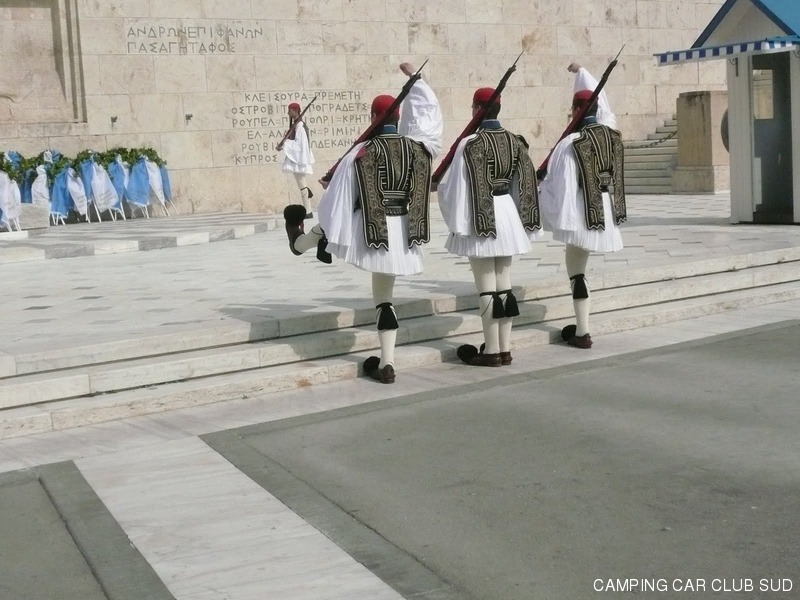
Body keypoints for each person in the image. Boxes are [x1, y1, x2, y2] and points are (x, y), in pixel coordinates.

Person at [282, 62, 443, 383]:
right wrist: (419, 82)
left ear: (373, 117)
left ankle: (300, 243)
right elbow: (430, 120)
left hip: (373, 232)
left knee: (330, 225)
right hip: (405, 232)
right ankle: (387, 362)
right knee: (386, 299)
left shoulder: (361, 152)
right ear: (399, 118)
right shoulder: (419, 149)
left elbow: (336, 203)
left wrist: (328, 221)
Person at [437, 87, 541, 367]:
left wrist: (455, 217)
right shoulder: (514, 140)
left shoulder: (470, 143)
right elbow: (526, 181)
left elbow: (454, 186)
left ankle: (492, 351)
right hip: (507, 211)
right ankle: (505, 349)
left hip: (481, 215)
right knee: (504, 285)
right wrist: (522, 217)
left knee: (486, 286)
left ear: (476, 109)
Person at [538, 63, 626, 349]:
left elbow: (561, 186)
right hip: (605, 209)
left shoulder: (571, 143)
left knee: (576, 273)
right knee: (580, 270)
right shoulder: (612, 136)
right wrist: (582, 72)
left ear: (576, 111)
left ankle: (583, 331)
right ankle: (581, 327)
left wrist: (543, 200)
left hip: (580, 211)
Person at [276, 102, 315, 218]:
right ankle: (308, 209)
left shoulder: (300, 126)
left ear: (295, 111)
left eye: (290, 110)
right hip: (297, 159)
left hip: (299, 159)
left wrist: (285, 144)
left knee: (302, 185)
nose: (288, 113)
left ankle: (308, 211)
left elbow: (300, 145)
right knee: (302, 184)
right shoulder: (296, 125)